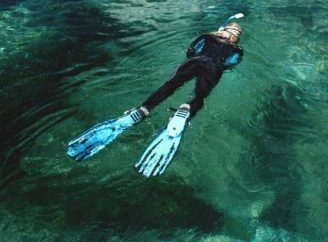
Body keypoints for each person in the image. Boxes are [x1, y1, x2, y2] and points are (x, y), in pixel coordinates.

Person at [67, 18, 244, 177]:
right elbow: (230, 64)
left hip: (195, 61)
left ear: (224, 30)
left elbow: (190, 51)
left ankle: (144, 109)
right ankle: (186, 111)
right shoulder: (237, 50)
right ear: (237, 37)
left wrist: (209, 38)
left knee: (169, 85)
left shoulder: (208, 37)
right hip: (214, 68)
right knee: (200, 95)